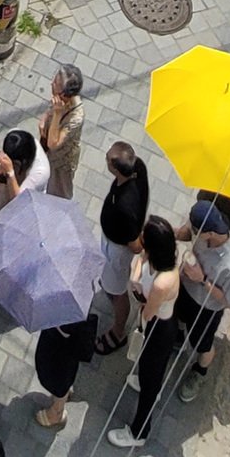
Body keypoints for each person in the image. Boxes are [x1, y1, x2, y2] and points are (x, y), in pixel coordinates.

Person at [107, 215, 180, 449]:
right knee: (149, 369)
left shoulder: (163, 282)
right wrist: (134, 279)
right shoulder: (157, 259)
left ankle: (139, 431)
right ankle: (149, 383)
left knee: (150, 377)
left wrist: (137, 291)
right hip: (155, 319)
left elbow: (148, 313)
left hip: (158, 328)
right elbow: (139, 261)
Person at [175, 200, 230, 402]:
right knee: (178, 315)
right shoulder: (204, 229)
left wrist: (203, 280)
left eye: (196, 230)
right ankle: (178, 336)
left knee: (202, 344)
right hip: (185, 289)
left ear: (210, 233)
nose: (193, 233)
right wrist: (174, 233)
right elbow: (187, 232)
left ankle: (199, 371)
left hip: (205, 308)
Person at [97, 142, 150, 354]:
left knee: (117, 291)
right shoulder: (139, 168)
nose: (106, 160)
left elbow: (135, 246)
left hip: (117, 250)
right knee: (112, 283)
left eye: (109, 160)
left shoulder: (125, 207)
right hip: (113, 240)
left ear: (117, 169)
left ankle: (118, 333)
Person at [33, 317, 96, 429]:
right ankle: (63, 394)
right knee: (63, 368)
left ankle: (57, 411)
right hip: (66, 327)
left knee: (55, 371)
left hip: (64, 333)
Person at [39, 64, 85, 199]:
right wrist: (46, 117)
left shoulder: (76, 117)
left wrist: (58, 114)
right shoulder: (57, 99)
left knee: (60, 191)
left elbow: (54, 143)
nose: (51, 84)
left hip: (62, 160)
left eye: (55, 84)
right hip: (47, 152)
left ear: (64, 94)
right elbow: (50, 108)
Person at [0, 127, 49, 214]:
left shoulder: (40, 173)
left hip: (26, 201)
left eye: (14, 165)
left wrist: (10, 173)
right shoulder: (14, 137)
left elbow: (19, 202)